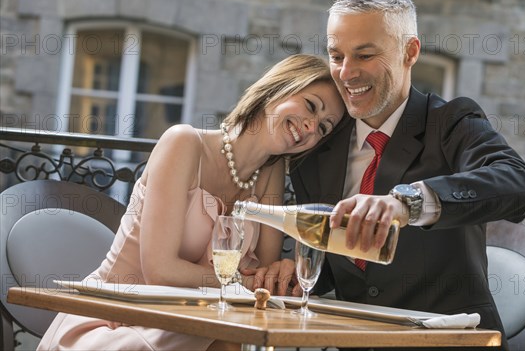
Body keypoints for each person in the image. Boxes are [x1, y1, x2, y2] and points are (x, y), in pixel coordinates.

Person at [286, 0, 525, 351]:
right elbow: (334, 258)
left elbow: (519, 183)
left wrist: (407, 203)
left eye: (365, 55)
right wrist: (296, 272)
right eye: (336, 55)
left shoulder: (451, 120)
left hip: (450, 342)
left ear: (410, 52)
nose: (346, 73)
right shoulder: (318, 146)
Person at [37, 54, 345, 351]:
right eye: (310, 106)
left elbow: (260, 277)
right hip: (116, 318)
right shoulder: (184, 143)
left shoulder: (272, 173)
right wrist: (241, 283)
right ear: (279, 88)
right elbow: (161, 271)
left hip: (189, 321)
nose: (310, 127)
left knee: (233, 340)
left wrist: (279, 273)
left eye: (322, 128)